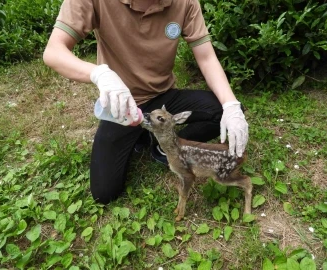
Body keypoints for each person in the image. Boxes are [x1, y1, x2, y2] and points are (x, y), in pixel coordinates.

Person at [43, 0, 249, 204]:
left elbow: (206, 57)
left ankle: (163, 148)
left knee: (222, 109)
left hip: (164, 99)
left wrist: (231, 105)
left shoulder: (185, 2)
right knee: (104, 192)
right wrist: (99, 74)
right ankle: (140, 137)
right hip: (123, 105)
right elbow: (54, 51)